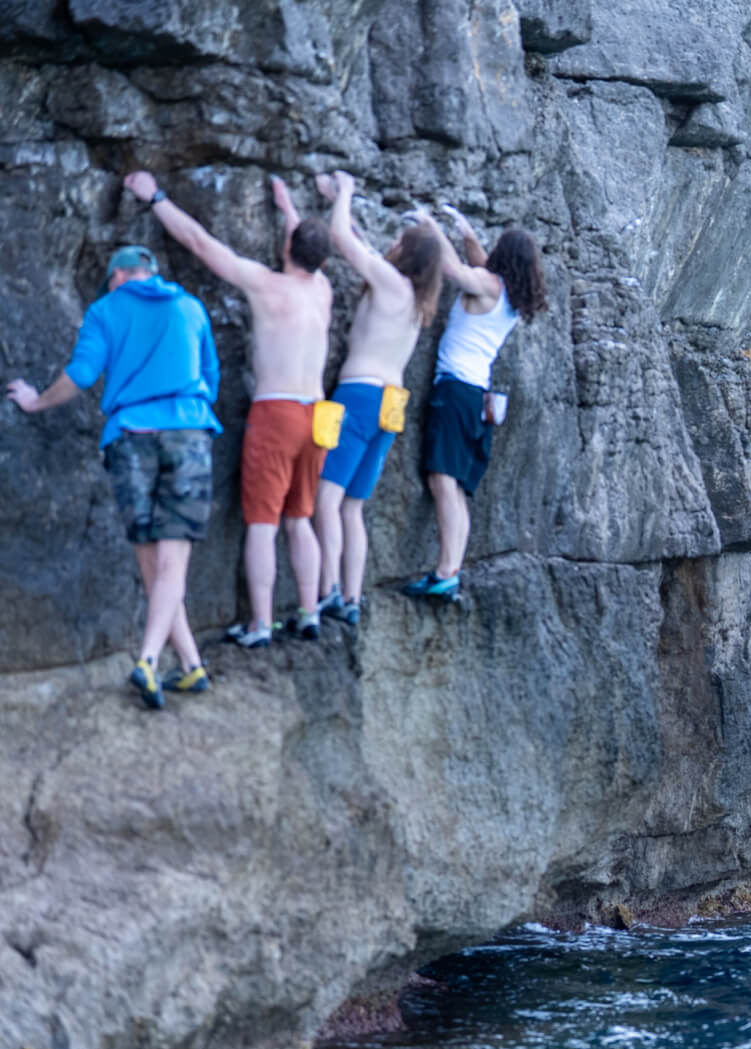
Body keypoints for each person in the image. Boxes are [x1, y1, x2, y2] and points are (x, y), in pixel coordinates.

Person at [5, 244, 221, 708]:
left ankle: (159, 661)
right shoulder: (190, 307)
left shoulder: (105, 310)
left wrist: (36, 401)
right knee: (172, 561)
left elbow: (82, 374)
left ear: (118, 276)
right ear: (150, 272)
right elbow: (211, 376)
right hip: (188, 432)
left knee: (150, 557)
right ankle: (180, 663)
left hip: (131, 437)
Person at [125, 170, 334, 646]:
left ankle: (261, 624)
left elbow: (200, 243)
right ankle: (309, 611)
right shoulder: (322, 291)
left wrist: (156, 197)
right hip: (317, 414)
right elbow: (308, 252)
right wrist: (288, 209)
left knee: (262, 522)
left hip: (277, 412)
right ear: (323, 260)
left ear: (287, 248)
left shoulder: (266, 285)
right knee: (300, 518)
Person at [312, 172, 443, 627]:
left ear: (408, 253)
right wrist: (339, 202)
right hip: (391, 404)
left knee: (325, 498)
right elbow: (365, 247)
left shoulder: (390, 284)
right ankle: (352, 598)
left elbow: (342, 240)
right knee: (353, 506)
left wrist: (345, 192)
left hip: (360, 396)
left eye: (400, 241)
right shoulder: (418, 301)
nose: (393, 243)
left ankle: (327, 590)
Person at [403, 206, 548, 602]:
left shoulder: (488, 285)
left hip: (455, 391)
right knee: (455, 487)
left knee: (442, 480)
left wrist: (430, 226)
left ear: (503, 255)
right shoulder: (510, 296)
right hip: (474, 395)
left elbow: (455, 270)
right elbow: (477, 261)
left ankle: (445, 571)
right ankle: (450, 571)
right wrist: (466, 232)